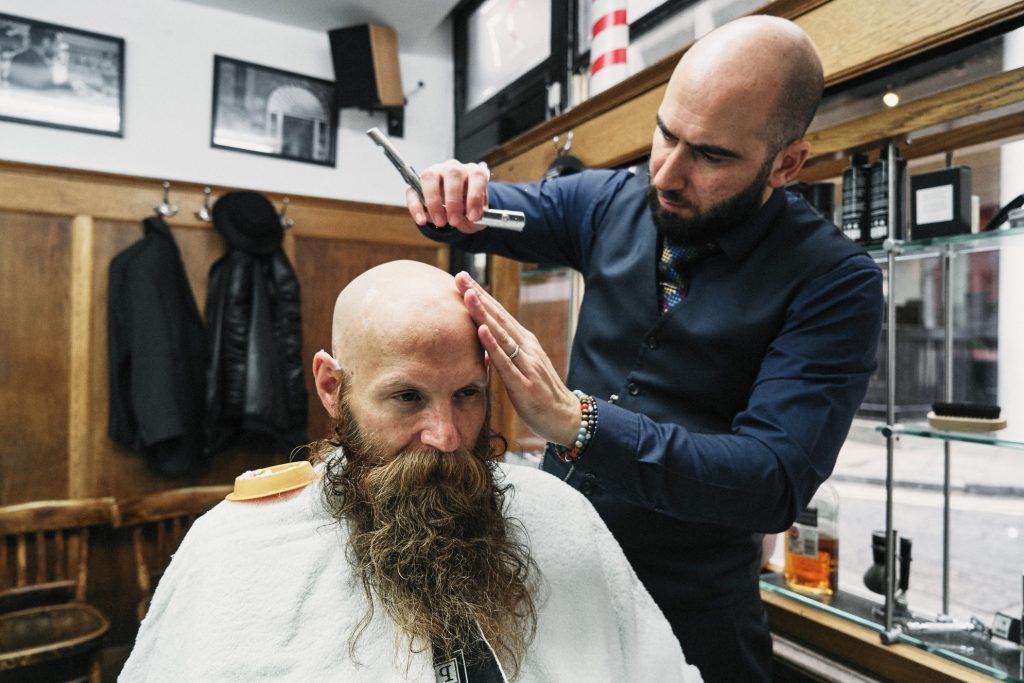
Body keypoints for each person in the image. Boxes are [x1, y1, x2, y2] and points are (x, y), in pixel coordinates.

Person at [406, 15, 884, 682]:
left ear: (787, 162)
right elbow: (493, 209)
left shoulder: (835, 281)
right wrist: (448, 193)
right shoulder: (610, 202)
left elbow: (772, 478)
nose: (667, 172)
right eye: (665, 133)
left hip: (693, 619)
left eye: (712, 155)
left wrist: (580, 424)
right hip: (554, 586)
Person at [119, 260, 702, 682]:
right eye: (407, 398)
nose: (445, 437)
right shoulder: (239, 547)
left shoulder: (559, 516)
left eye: (468, 394)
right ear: (331, 386)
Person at [7, 25, 65, 90]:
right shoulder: (40, 66)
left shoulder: (18, 57)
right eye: (57, 44)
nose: (57, 49)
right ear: (46, 42)